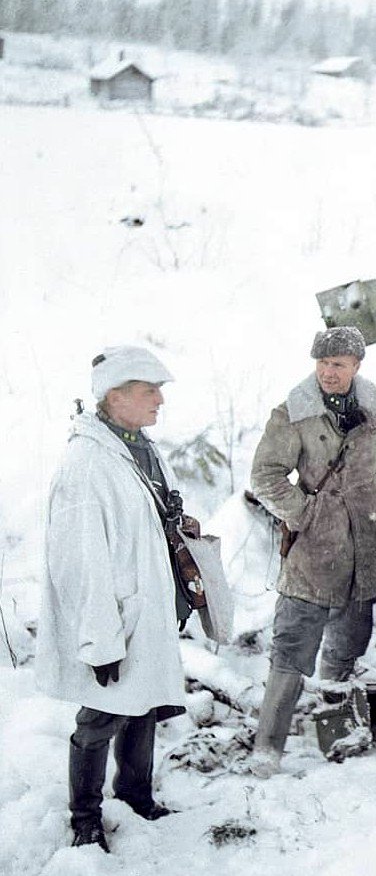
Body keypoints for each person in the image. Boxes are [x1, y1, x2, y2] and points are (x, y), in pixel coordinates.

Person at [249, 325, 376, 776]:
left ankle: (336, 726)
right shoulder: (294, 412)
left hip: (364, 545)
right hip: (314, 551)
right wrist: (307, 514)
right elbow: (265, 476)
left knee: (347, 645)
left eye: (338, 364)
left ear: (356, 366)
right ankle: (267, 748)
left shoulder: (372, 403)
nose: (328, 372)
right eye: (322, 363)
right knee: (292, 647)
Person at [36, 346, 188, 852]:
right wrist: (99, 639)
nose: (160, 401)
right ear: (115, 397)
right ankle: (85, 819)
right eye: (149, 391)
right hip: (114, 613)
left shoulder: (141, 448)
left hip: (145, 605)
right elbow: (79, 562)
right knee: (100, 716)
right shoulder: (87, 464)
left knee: (143, 703)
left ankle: (136, 796)